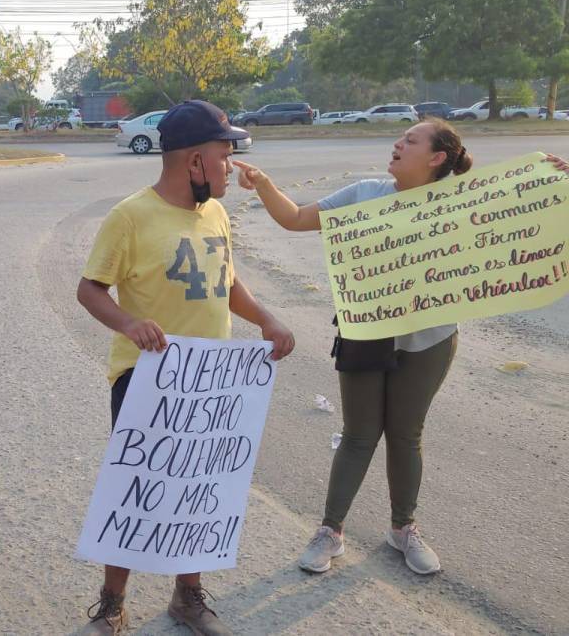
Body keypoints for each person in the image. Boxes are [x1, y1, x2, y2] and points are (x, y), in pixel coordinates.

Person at [77, 100, 295, 635]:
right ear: (194, 161)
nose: (231, 167)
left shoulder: (216, 213)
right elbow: (90, 289)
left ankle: (187, 594)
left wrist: (266, 318)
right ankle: (112, 601)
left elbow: (225, 281)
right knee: (137, 488)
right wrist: (129, 323)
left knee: (200, 487)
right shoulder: (130, 216)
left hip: (211, 382)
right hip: (146, 378)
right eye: (225, 156)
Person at [232, 118, 472, 576]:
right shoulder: (364, 194)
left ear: (437, 157)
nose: (398, 143)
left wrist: (549, 184)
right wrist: (263, 183)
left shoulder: (458, 203)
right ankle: (330, 531)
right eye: (401, 137)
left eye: (411, 140)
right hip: (364, 332)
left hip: (430, 339)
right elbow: (296, 218)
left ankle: (403, 529)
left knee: (406, 436)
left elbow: (521, 229)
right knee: (359, 434)